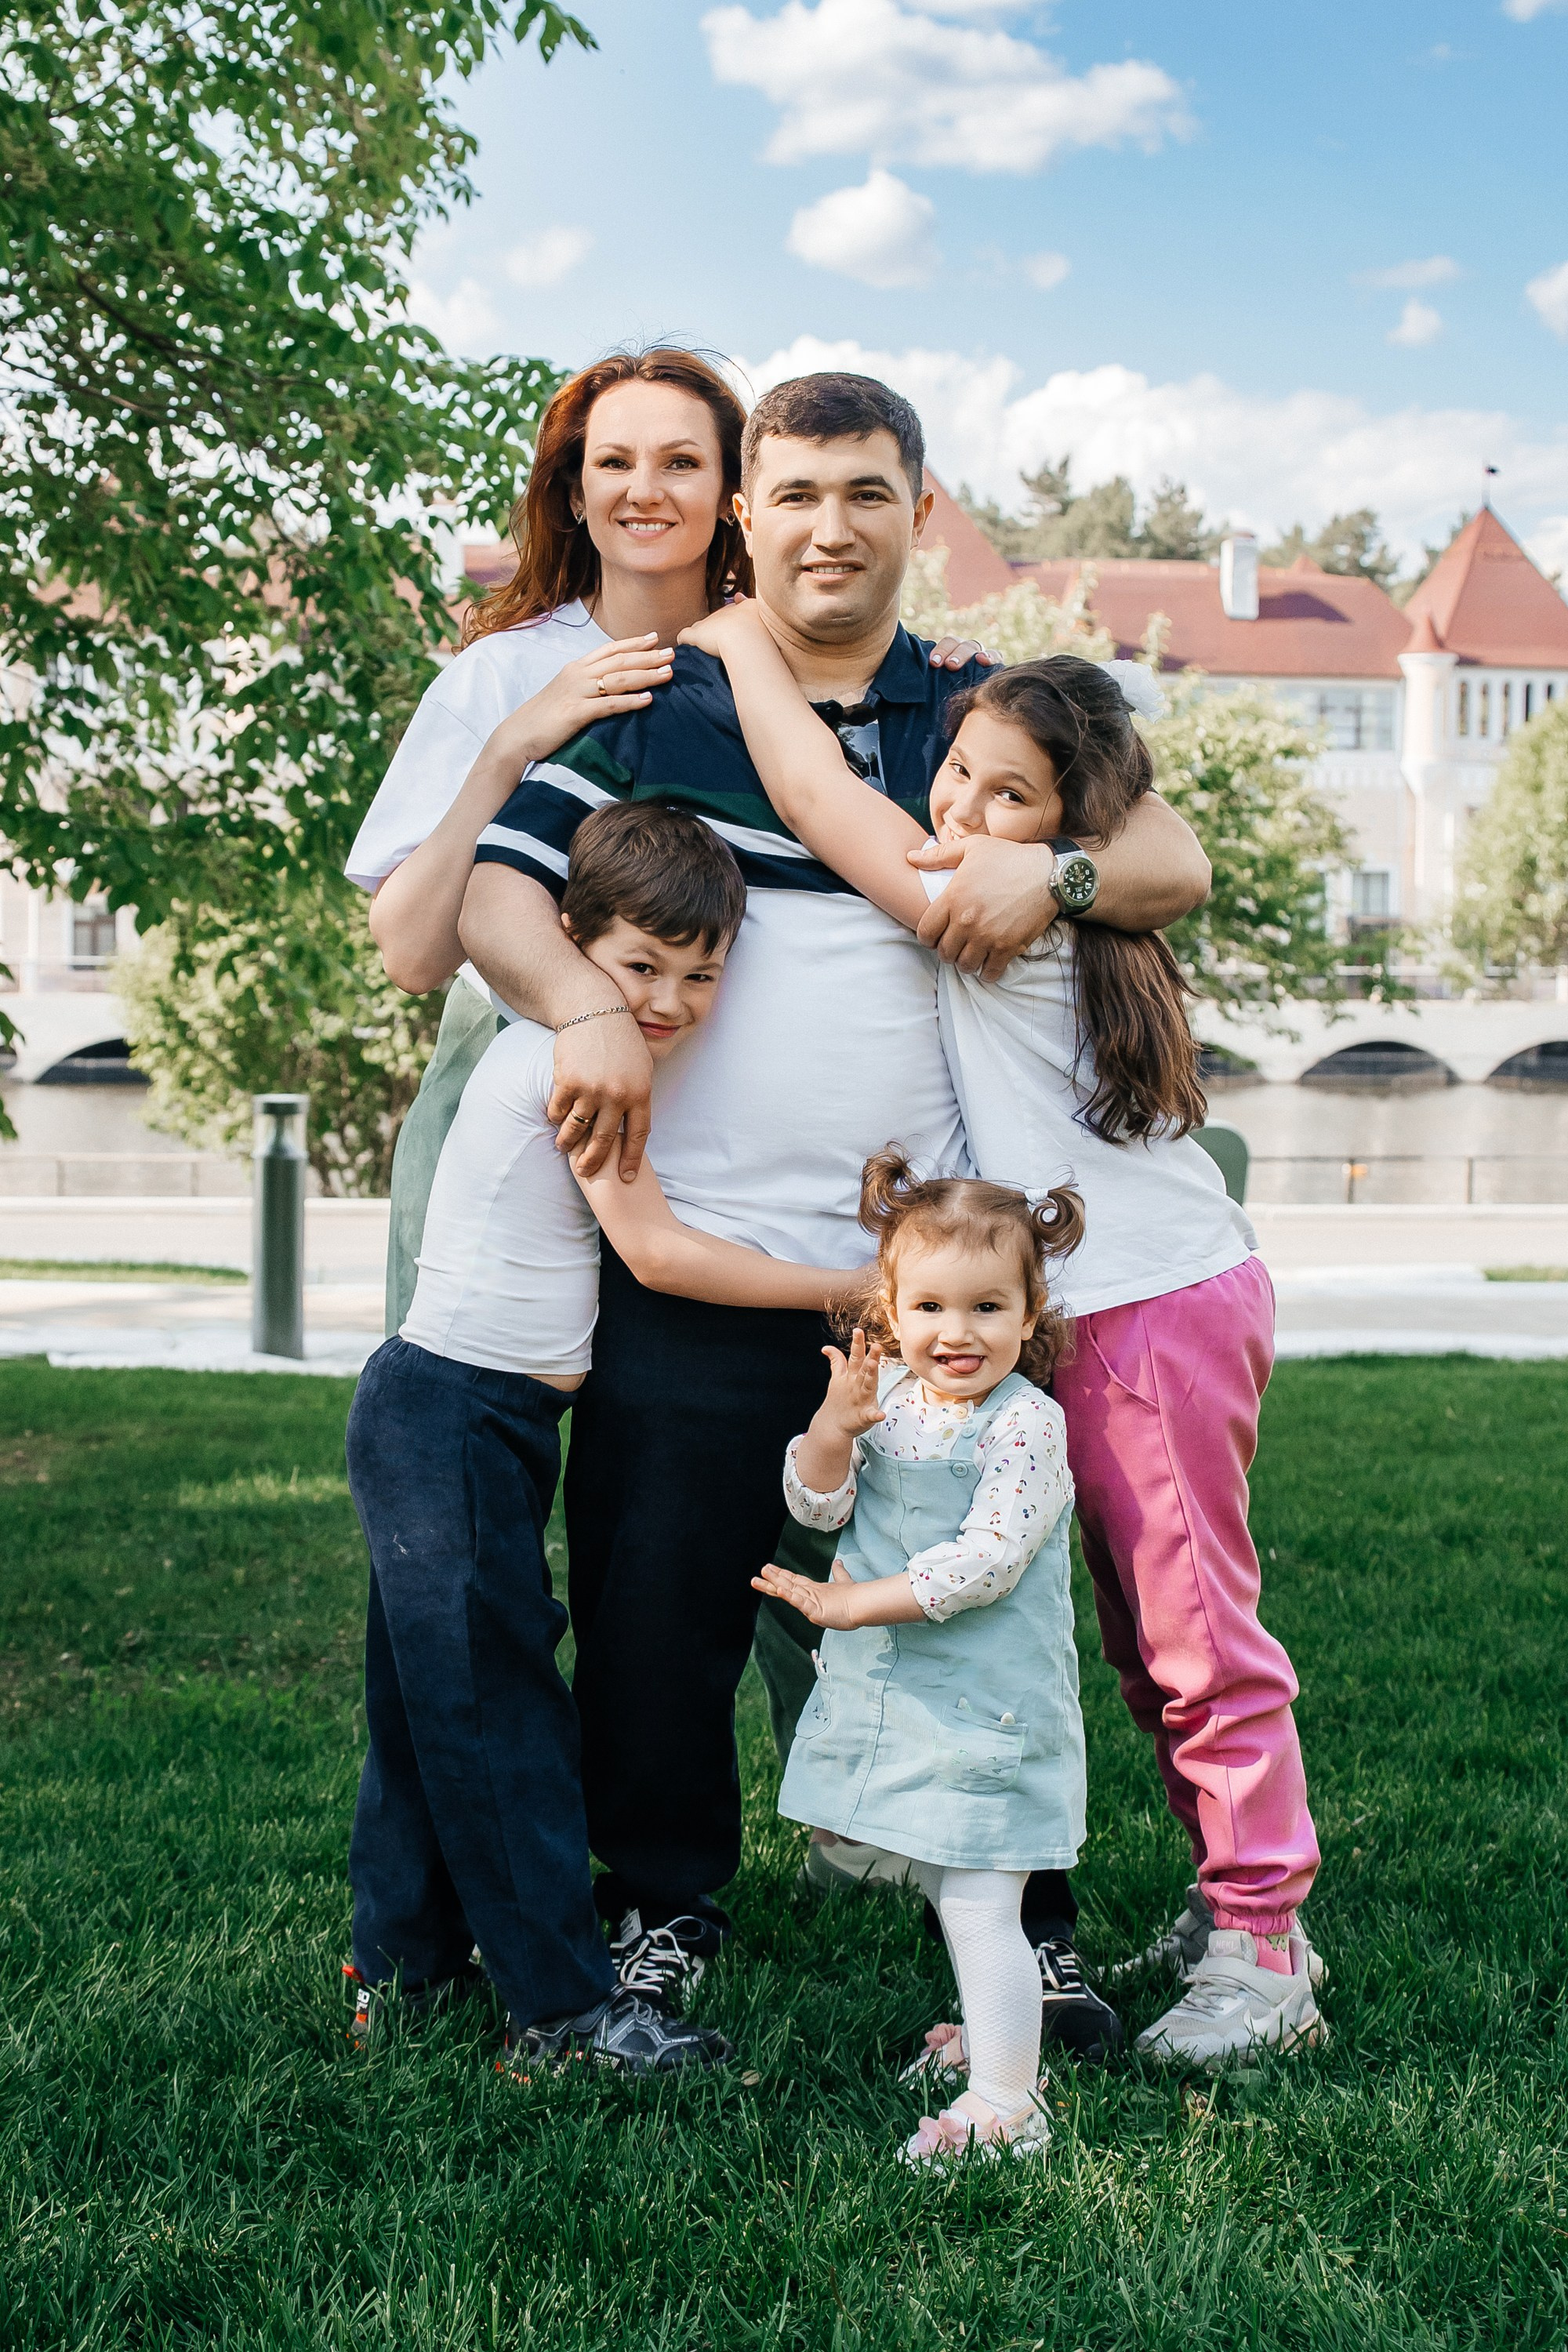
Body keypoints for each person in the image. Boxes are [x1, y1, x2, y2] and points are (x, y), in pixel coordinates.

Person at [457, 371, 1214, 2037]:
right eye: (793, 493)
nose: (828, 526)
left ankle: (1029, 1922)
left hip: (931, 1286)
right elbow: (501, 903)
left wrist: (1052, 872)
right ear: (748, 513)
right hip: (702, 1259)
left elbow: (1168, 860)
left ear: (916, 508)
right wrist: (587, 1008)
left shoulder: (981, 709)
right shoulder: (659, 704)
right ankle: (658, 1905)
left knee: (980, 1608)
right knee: (659, 1605)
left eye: (865, 492)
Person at [681, 605, 1323, 2069]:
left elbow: (806, 793)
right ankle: (1241, 1902)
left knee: (1197, 1638)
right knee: (1145, 1630)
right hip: (1135, 1300)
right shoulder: (1061, 889)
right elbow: (1150, 836)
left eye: (1007, 795)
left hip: (1151, 1306)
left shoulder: (979, 886)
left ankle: (1266, 1945)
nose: (962, 806)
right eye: (958, 770)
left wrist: (739, 644)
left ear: (1058, 830)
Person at [343, 803, 849, 2081]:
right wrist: (856, 1280)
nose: (668, 1000)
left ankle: (398, 1971)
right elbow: (658, 1252)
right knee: (494, 1706)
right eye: (640, 967)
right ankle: (564, 2014)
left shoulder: (581, 1050)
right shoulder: (571, 1057)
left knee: (427, 1704)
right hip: (451, 1411)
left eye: (700, 973)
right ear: (571, 947)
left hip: (482, 1417)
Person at [347, 345, 988, 1334]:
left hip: (686, 1125)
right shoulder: (504, 675)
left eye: (682, 463)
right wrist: (518, 740)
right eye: (612, 463)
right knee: (478, 1410)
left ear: (731, 493)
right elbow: (414, 952)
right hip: (528, 1075)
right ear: (571, 491)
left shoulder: (766, 649)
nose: (644, 491)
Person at [757, 1153, 1086, 2161]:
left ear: (1028, 1317)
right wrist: (831, 1427)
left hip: (987, 1704)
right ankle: (988, 2044)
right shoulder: (886, 1400)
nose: (957, 1332)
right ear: (889, 1313)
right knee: (951, 1879)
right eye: (930, 1307)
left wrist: (852, 1605)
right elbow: (815, 1505)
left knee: (983, 1890)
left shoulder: (1026, 1424)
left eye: (988, 1307)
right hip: (913, 1699)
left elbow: (984, 1562)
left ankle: (1004, 2105)